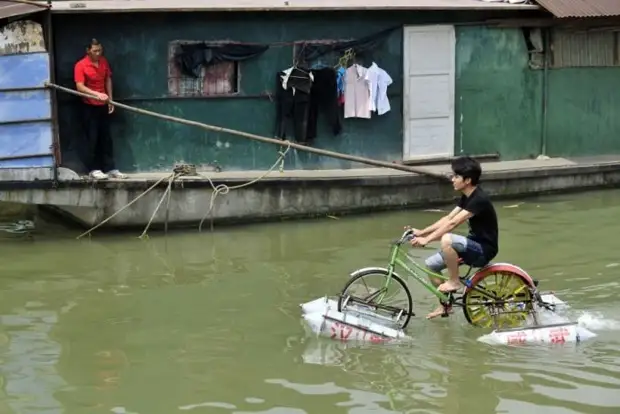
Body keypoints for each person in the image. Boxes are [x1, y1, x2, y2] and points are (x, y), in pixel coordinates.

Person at [409, 156, 499, 319]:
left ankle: (454, 281)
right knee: (431, 265)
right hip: (472, 244)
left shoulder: (479, 199)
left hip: (484, 250)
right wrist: (422, 232)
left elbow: (453, 225)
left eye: (456, 176)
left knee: (447, 239)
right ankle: (445, 306)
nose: (452, 179)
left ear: (467, 180)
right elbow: (447, 219)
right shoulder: (467, 196)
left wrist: (427, 240)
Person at [74, 38, 126, 180]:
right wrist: (97, 94)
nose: (98, 53)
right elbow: (80, 86)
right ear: (88, 51)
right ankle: (94, 169)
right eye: (95, 51)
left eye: (100, 50)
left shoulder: (103, 62)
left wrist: (110, 99)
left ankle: (110, 168)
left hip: (103, 105)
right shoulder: (81, 65)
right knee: (92, 139)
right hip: (88, 106)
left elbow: (108, 79)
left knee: (106, 138)